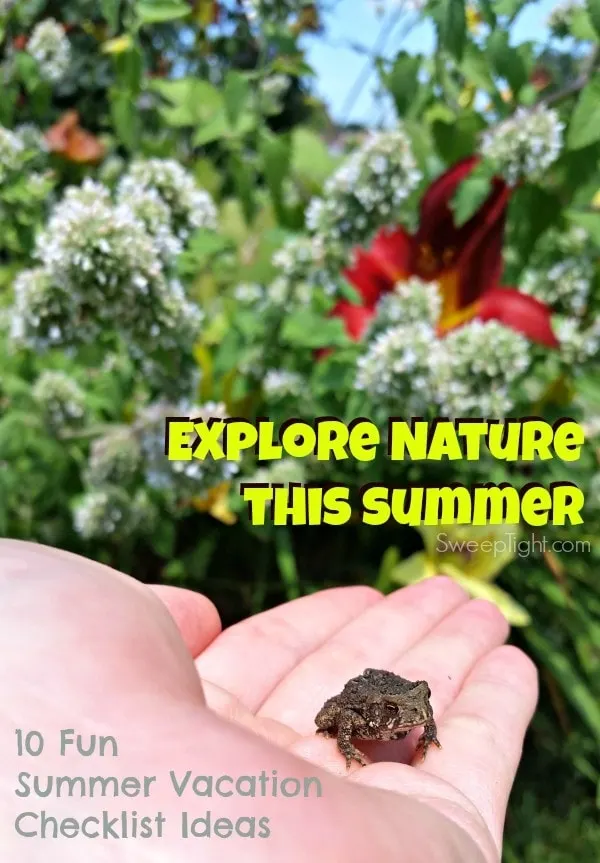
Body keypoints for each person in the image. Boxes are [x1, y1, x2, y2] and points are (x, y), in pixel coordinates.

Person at [0, 539, 537, 862]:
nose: (418, 716)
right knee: (328, 717)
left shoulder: (412, 708)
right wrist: (347, 748)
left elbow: (419, 708)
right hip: (359, 692)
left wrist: (428, 728)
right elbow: (345, 718)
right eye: (405, 713)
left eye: (420, 707)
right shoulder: (368, 711)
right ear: (384, 714)